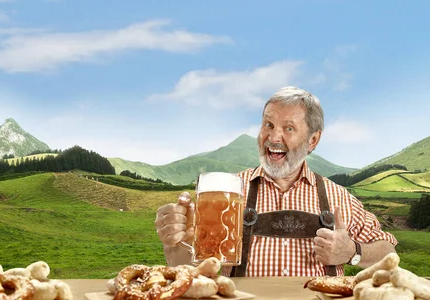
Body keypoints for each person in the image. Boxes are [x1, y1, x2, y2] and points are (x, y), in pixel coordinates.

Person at [154, 86, 397, 277]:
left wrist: (352, 252)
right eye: (268, 125)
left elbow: (388, 252)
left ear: (313, 140)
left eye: (288, 128)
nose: (273, 137)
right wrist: (174, 243)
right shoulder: (227, 193)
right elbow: (187, 268)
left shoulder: (338, 198)